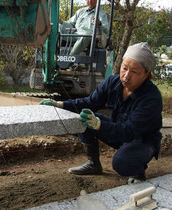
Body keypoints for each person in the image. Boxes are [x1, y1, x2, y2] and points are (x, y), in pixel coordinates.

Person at [40, 42, 162, 183]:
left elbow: (130, 131)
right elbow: (89, 102)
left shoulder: (151, 98)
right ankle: (93, 164)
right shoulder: (113, 83)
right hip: (118, 130)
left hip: (142, 140)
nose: (126, 76)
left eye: (134, 72)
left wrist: (99, 125)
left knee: (121, 162)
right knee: (82, 119)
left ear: (146, 75)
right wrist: (59, 105)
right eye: (124, 68)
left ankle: (138, 172)